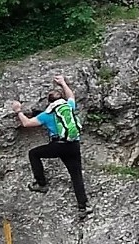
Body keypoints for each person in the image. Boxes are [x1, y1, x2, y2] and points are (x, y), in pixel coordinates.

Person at [10, 74, 88, 213]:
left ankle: (41, 184)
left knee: (33, 154)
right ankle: (83, 207)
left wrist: (18, 111)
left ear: (49, 102)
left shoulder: (47, 114)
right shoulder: (68, 106)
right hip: (73, 144)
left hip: (57, 146)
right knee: (76, 175)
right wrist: (63, 83)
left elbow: (27, 123)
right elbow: (71, 96)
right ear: (61, 99)